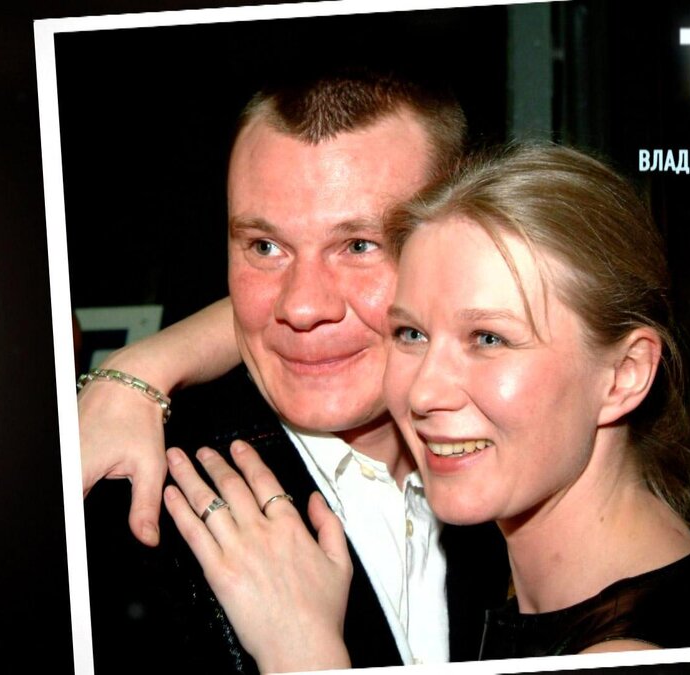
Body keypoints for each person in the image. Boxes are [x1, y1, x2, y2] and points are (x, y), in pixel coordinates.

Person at [160, 143, 690, 670]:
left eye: (488, 339)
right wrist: (142, 371)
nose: (423, 392)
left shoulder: (629, 648)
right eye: (410, 334)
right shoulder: (531, 571)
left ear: (625, 374)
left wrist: (304, 653)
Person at [78, 69, 508, 671]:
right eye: (265, 247)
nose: (302, 306)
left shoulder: (515, 465)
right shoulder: (129, 520)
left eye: (359, 245)